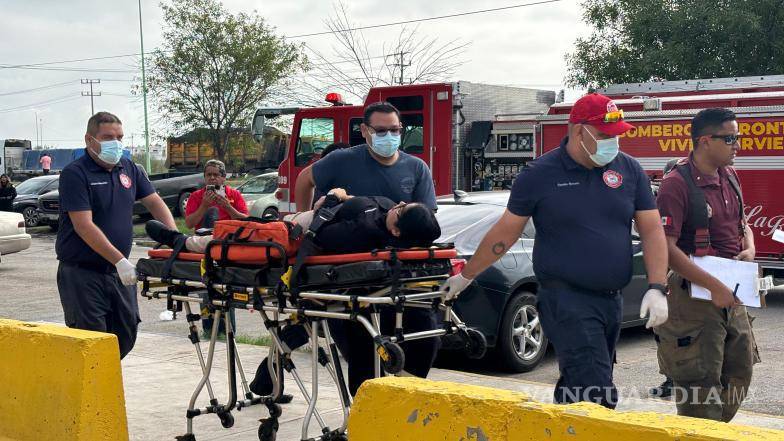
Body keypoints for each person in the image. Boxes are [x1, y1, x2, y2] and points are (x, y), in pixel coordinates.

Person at [441, 93, 669, 410]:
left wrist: (657, 287)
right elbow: (506, 232)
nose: (613, 143)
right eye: (605, 136)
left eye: (617, 135)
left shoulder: (628, 170)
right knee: (596, 393)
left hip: (612, 299)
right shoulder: (541, 174)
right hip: (565, 298)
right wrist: (467, 275)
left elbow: (652, 229)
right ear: (578, 131)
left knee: (577, 385)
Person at [145, 190, 442, 398]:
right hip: (312, 236)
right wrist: (342, 198)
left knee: (239, 239)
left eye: (402, 209)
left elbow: (322, 234)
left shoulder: (363, 233)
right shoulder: (383, 227)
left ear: (399, 231)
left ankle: (181, 241)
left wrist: (330, 203)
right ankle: (181, 240)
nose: (399, 203)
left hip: (294, 236)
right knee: (244, 235)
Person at [654, 108, 760, 422]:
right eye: (729, 138)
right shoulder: (677, 184)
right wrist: (714, 287)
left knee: (741, 370)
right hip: (694, 297)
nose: (737, 144)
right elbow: (667, 249)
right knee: (699, 384)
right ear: (704, 141)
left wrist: (750, 247)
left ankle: (713, 427)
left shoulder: (730, 175)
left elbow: (743, 223)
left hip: (732, 290)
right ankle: (702, 428)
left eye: (737, 137)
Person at [56, 111, 176, 359]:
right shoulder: (75, 174)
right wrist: (119, 260)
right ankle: (95, 395)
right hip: (83, 274)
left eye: (119, 136)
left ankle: (105, 386)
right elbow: (83, 225)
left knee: (126, 332)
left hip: (119, 275)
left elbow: (154, 202)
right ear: (90, 140)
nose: (116, 142)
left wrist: (175, 238)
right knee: (93, 341)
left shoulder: (129, 168)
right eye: (108, 137)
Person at [294, 102, 436, 212]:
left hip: (396, 247)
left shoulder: (417, 167)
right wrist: (302, 219)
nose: (388, 136)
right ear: (364, 130)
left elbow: (427, 215)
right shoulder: (341, 160)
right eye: (380, 131)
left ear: (400, 128)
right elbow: (304, 179)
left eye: (394, 130)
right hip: (351, 247)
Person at [184, 159, 248, 230]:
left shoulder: (234, 194)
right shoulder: (195, 196)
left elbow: (246, 221)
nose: (212, 178)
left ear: (224, 177)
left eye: (216, 175)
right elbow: (189, 225)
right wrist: (204, 206)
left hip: (228, 236)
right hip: (205, 237)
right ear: (204, 177)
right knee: (212, 211)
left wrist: (228, 207)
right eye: (209, 175)